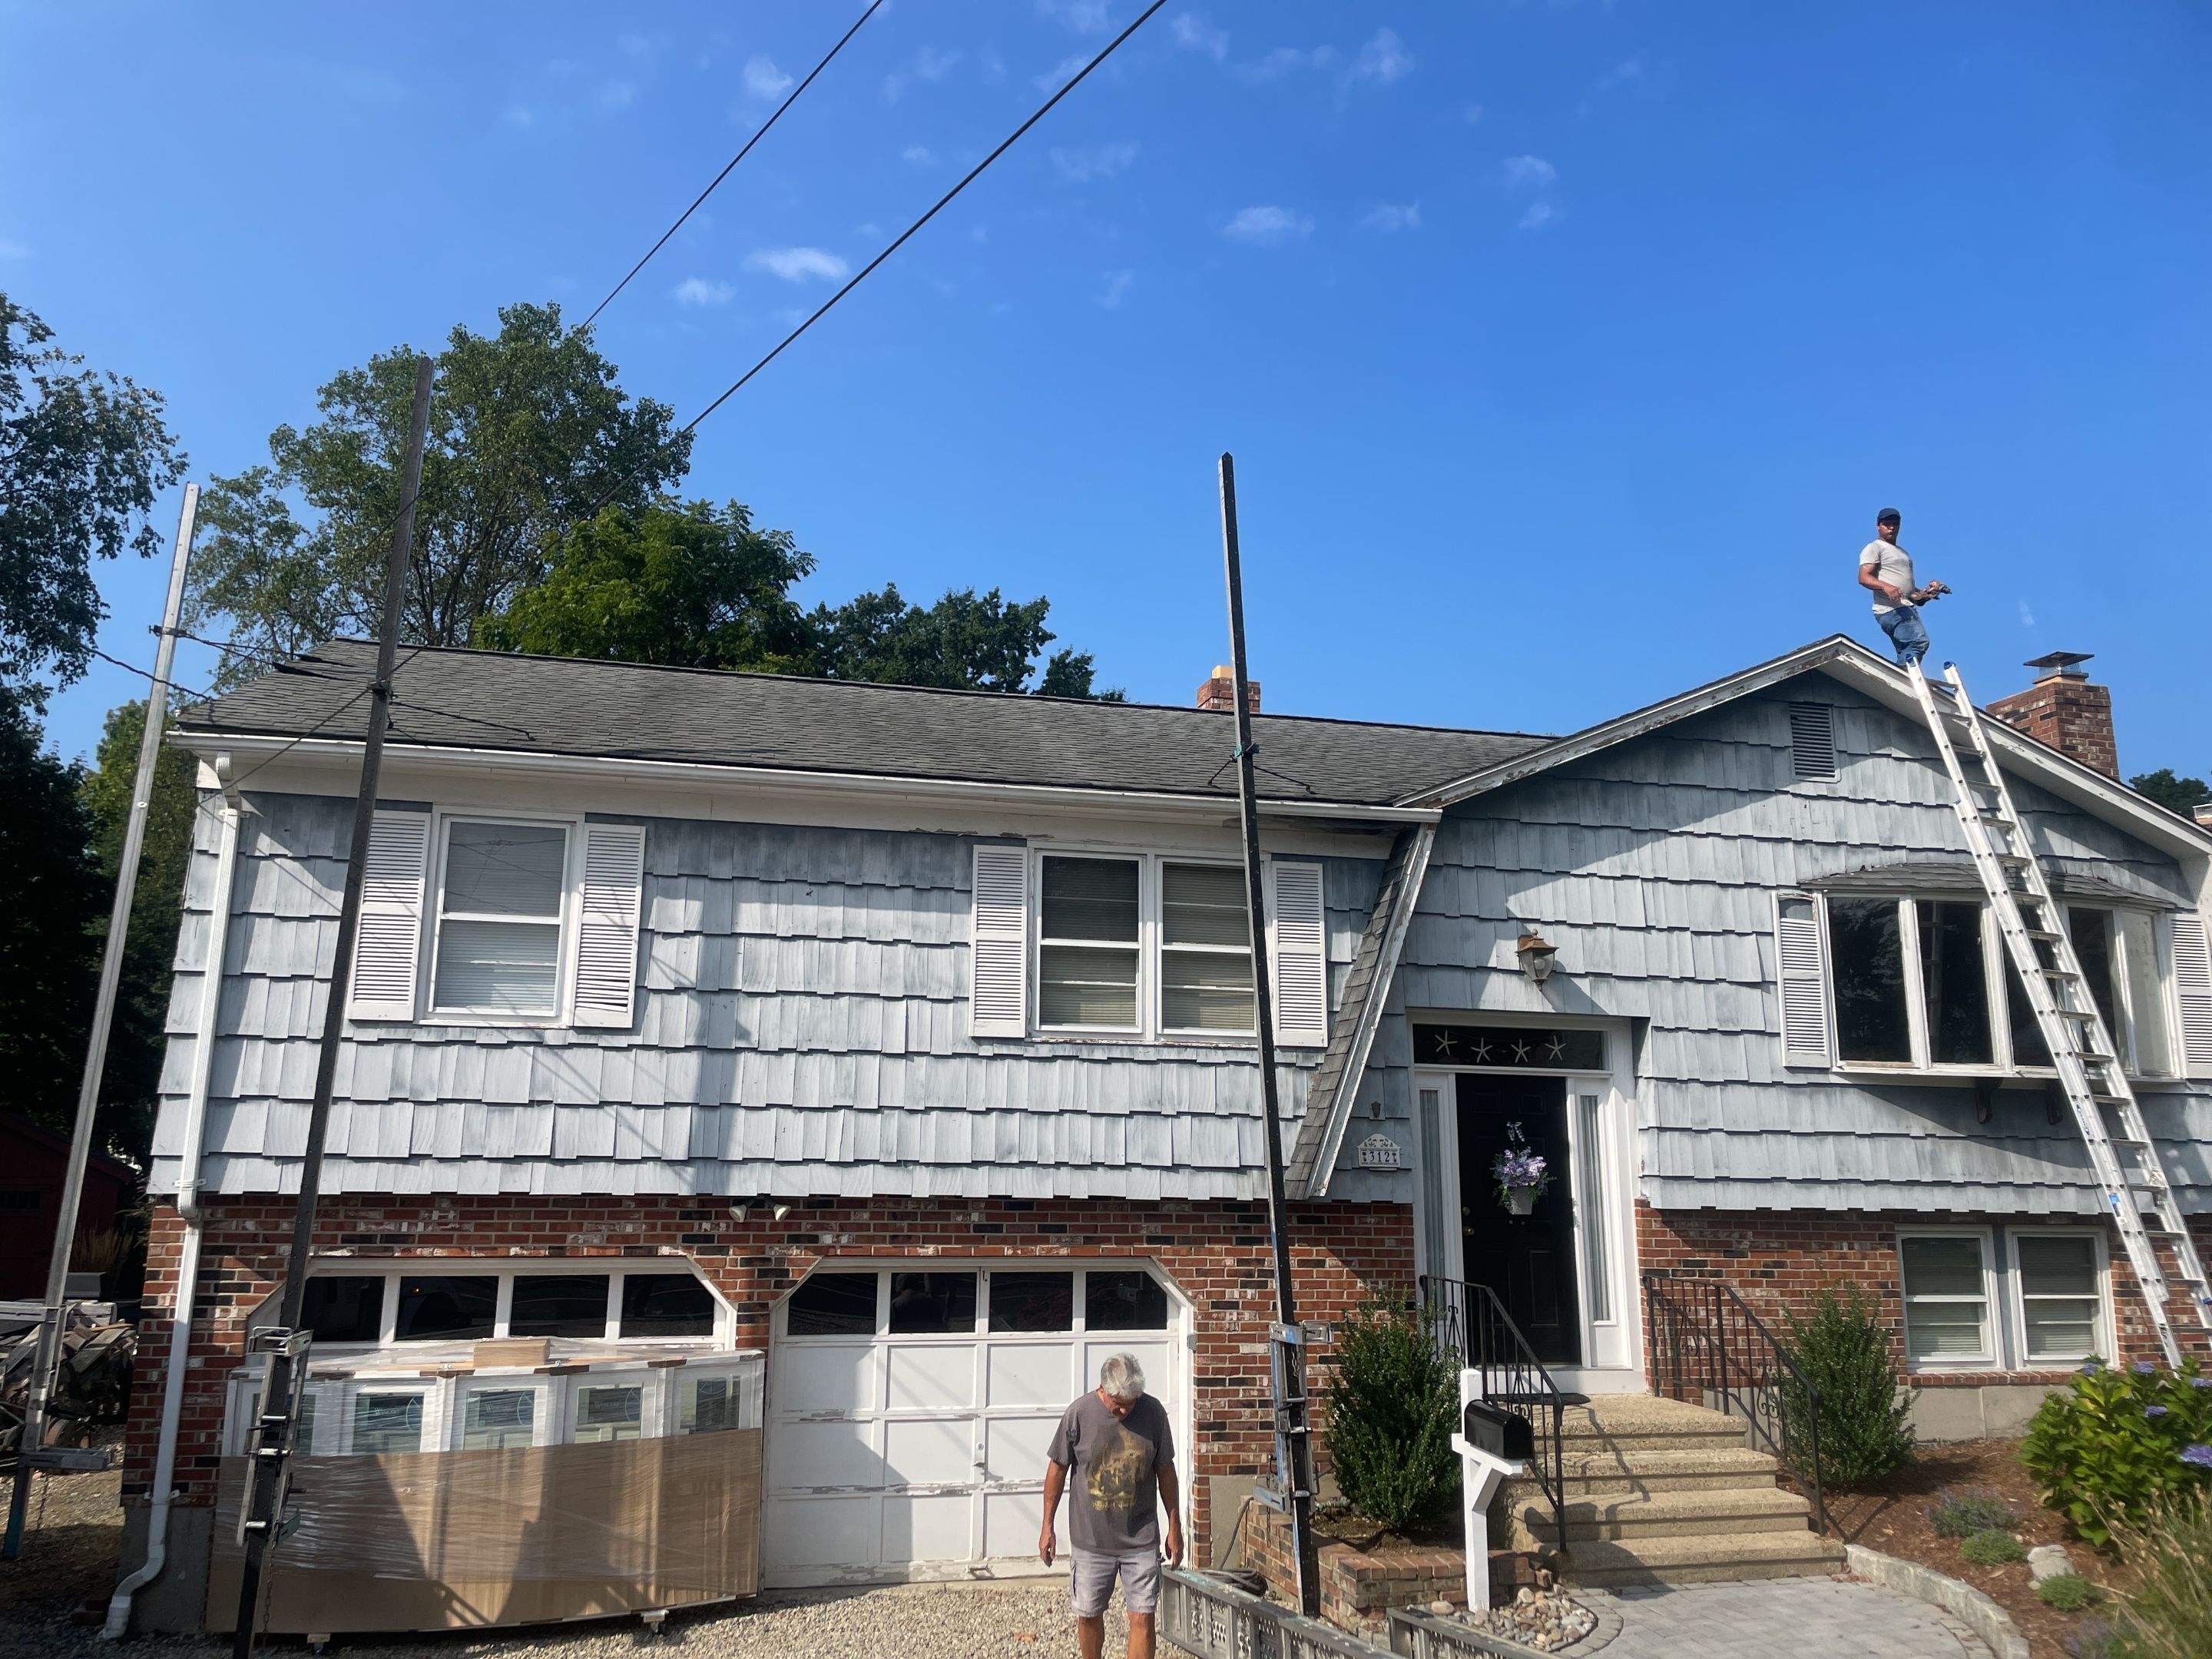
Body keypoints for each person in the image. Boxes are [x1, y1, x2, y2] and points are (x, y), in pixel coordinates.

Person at [1039, 1353, 1184, 1659]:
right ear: (1102, 1388)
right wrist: (1047, 1526)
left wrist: (1175, 1526)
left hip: (1141, 1540)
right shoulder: (1078, 1414)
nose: (1125, 1410)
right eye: (1119, 1403)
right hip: (1091, 1543)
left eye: (1132, 1403)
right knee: (1089, 1615)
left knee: (1143, 1617)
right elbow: (1057, 1470)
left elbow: (1166, 1472)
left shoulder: (1154, 1413)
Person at [1858, 506, 1942, 667]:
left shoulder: (1902, 552)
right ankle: (1904, 674)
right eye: (1887, 524)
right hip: (1891, 609)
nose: (1891, 527)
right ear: (1878, 526)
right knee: (1918, 642)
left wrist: (1925, 594)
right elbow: (1864, 577)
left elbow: (1909, 594)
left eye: (1895, 524)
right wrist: (1886, 587)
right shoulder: (1875, 547)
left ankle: (1903, 674)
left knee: (1906, 650)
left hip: (1905, 607)